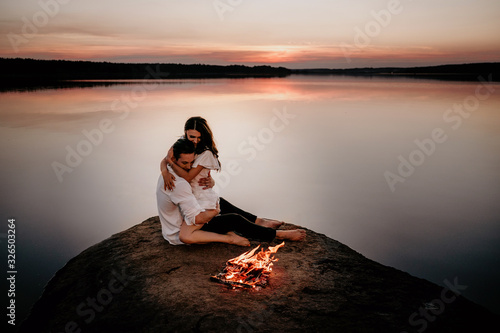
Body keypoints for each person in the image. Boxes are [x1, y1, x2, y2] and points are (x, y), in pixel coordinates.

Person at [156, 138, 306, 246]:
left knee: (219, 201)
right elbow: (197, 219)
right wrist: (214, 212)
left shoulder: (169, 171)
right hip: (180, 231)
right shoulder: (178, 183)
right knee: (233, 219)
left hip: (171, 227)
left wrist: (212, 188)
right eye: (185, 163)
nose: (189, 167)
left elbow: (169, 163)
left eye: (191, 162)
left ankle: (259, 221)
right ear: (174, 158)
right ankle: (277, 235)